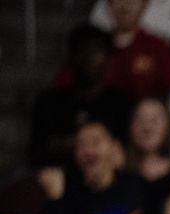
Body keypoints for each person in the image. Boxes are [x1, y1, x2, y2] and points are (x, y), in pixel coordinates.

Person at [29, 24, 134, 169]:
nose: (89, 56)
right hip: (57, 180)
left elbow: (129, 154)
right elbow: (36, 151)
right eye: (83, 49)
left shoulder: (123, 103)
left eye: (96, 50)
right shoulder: (49, 102)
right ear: (72, 56)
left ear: (108, 57)